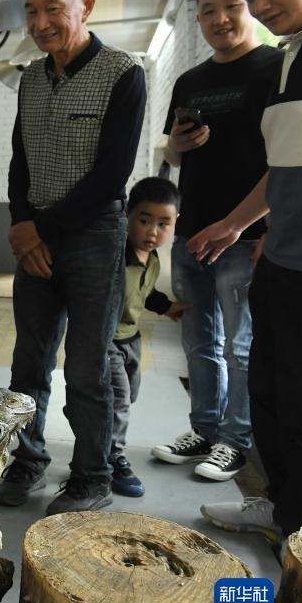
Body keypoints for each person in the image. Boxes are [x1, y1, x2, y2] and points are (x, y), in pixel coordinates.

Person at [0, 0, 146, 515]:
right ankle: (28, 460)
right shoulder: (32, 78)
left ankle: (91, 476)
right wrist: (20, 222)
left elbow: (112, 175)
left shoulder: (122, 73)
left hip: (95, 236)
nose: (39, 22)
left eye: (52, 9)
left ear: (86, 5)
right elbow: (20, 158)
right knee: (28, 360)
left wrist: (40, 229)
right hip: (36, 233)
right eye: (31, 12)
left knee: (86, 364)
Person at [187, 0, 302, 554]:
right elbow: (283, 168)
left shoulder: (277, 60)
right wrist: (239, 223)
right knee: (271, 387)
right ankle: (282, 507)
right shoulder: (290, 61)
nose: (257, 5)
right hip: (281, 256)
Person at [149, 0, 282, 482]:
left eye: (233, 5)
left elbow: (286, 157)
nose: (220, 18)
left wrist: (248, 224)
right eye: (208, 10)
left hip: (246, 234)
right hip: (192, 231)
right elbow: (174, 155)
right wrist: (177, 145)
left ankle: (234, 441)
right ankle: (204, 428)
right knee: (198, 340)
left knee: (240, 346)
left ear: (251, 6)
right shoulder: (189, 80)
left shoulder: (275, 66)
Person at [108, 178, 188, 498]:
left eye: (163, 224)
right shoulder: (116, 256)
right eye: (144, 220)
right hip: (107, 342)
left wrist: (168, 307)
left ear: (174, 224)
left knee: (131, 395)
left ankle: (99, 429)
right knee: (119, 401)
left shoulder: (152, 259)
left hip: (132, 340)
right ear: (128, 215)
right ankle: (113, 456)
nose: (152, 232)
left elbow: (146, 293)